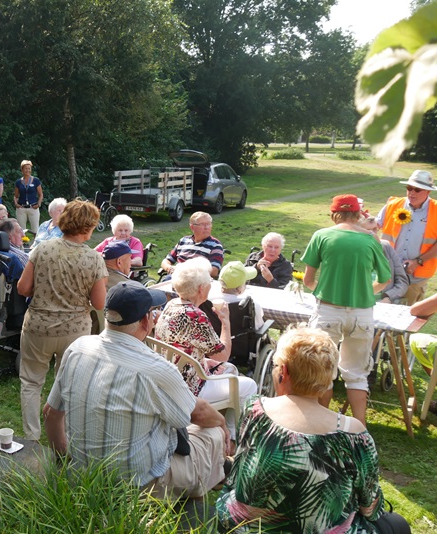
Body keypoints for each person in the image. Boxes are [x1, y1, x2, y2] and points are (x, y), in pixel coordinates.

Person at [216, 326, 411, 534]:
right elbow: (369, 507)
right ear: (328, 379)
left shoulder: (255, 409)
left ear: (283, 372)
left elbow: (238, 476)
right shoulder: (353, 433)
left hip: (242, 528)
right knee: (397, 525)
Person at [44, 282, 228, 500]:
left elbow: (51, 413)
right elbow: (198, 413)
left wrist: (64, 461)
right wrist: (223, 424)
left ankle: (213, 474)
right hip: (139, 487)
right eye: (153, 312)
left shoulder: (78, 348)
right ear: (145, 321)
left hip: (83, 476)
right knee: (212, 433)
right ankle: (211, 482)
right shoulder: (157, 369)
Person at [17, 199, 108, 441]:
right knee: (66, 385)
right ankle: (62, 437)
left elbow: (23, 287)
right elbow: (99, 303)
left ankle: (31, 437)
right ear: (89, 228)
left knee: (31, 381)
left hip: (38, 327)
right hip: (75, 332)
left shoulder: (42, 248)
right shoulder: (94, 259)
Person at [302, 194, 390, 426]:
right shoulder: (372, 240)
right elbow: (385, 279)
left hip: (329, 311)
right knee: (357, 375)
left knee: (323, 371)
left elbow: (308, 280)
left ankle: (322, 426)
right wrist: (367, 292)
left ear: (333, 214)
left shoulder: (321, 235)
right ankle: (359, 431)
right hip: (362, 313)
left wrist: (322, 290)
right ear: (358, 214)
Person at [154, 257, 258, 437]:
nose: (212, 284)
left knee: (230, 369)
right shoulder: (195, 315)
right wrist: (225, 321)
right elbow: (223, 354)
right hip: (189, 388)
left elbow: (182, 346)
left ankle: (219, 428)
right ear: (201, 289)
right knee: (249, 385)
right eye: (210, 281)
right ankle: (233, 435)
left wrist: (202, 361)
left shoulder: (171, 305)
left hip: (168, 375)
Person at [377, 170, 437, 305]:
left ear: (428, 192)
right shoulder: (393, 204)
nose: (412, 193)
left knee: (408, 316)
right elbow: (374, 226)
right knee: (382, 313)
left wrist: (418, 261)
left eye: (417, 189)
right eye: (409, 188)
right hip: (388, 271)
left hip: (416, 275)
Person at [359, 215, 409, 303]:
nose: (374, 234)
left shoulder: (385, 246)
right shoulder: (350, 250)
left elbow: (402, 282)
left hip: (383, 302)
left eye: (375, 229)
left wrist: (388, 297)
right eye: (369, 231)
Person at [161, 211, 224, 278]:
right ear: (192, 227)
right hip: (175, 278)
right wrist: (170, 268)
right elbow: (166, 261)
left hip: (197, 282)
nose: (206, 227)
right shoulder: (183, 241)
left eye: (208, 224)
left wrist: (186, 272)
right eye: (202, 224)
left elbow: (214, 271)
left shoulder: (215, 245)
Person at [91, 240, 135, 335]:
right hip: (118, 336)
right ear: (119, 262)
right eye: (130, 258)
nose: (131, 262)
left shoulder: (92, 278)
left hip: (90, 332)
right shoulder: (127, 287)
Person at [219, 261, 265, 331]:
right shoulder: (251, 305)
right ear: (239, 288)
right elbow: (259, 328)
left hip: (215, 340)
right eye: (245, 282)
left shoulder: (208, 301)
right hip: (241, 341)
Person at [13, 159, 43, 235]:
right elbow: (15, 196)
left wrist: (39, 204)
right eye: (26, 168)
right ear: (22, 170)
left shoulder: (36, 180)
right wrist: (16, 204)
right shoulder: (18, 182)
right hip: (21, 208)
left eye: (29, 168)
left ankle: (35, 245)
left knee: (35, 229)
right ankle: (22, 245)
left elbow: (41, 194)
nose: (28, 170)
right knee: (21, 230)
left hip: (33, 207)